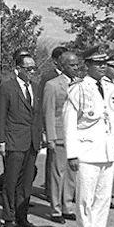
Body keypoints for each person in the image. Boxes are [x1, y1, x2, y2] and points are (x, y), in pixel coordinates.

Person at [63, 47, 114, 227]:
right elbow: (69, 123)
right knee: (85, 201)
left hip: (106, 152)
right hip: (86, 153)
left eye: (105, 63)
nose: (102, 66)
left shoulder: (110, 87)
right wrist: (72, 154)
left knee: (102, 201)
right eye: (97, 63)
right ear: (87, 65)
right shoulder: (78, 89)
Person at [0, 51, 42, 227]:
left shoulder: (36, 87)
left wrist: (41, 134)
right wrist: (1, 140)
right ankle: (9, 216)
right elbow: (1, 115)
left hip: (32, 141)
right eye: (28, 68)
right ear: (18, 69)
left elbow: (37, 114)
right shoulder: (7, 87)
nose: (31, 72)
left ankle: (22, 215)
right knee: (11, 180)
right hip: (14, 140)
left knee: (26, 181)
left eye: (33, 68)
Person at [42, 51, 80, 223]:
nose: (76, 68)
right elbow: (48, 112)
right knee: (58, 173)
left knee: (72, 173)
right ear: (62, 66)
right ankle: (55, 209)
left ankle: (67, 205)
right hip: (59, 133)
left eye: (77, 65)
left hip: (76, 135)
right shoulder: (52, 85)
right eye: (72, 65)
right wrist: (50, 137)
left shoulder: (80, 84)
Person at [37, 46, 68, 200]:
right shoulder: (48, 77)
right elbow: (44, 105)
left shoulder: (72, 78)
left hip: (67, 129)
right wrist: (44, 130)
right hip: (53, 127)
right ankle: (51, 191)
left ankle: (65, 192)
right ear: (55, 61)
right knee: (53, 161)